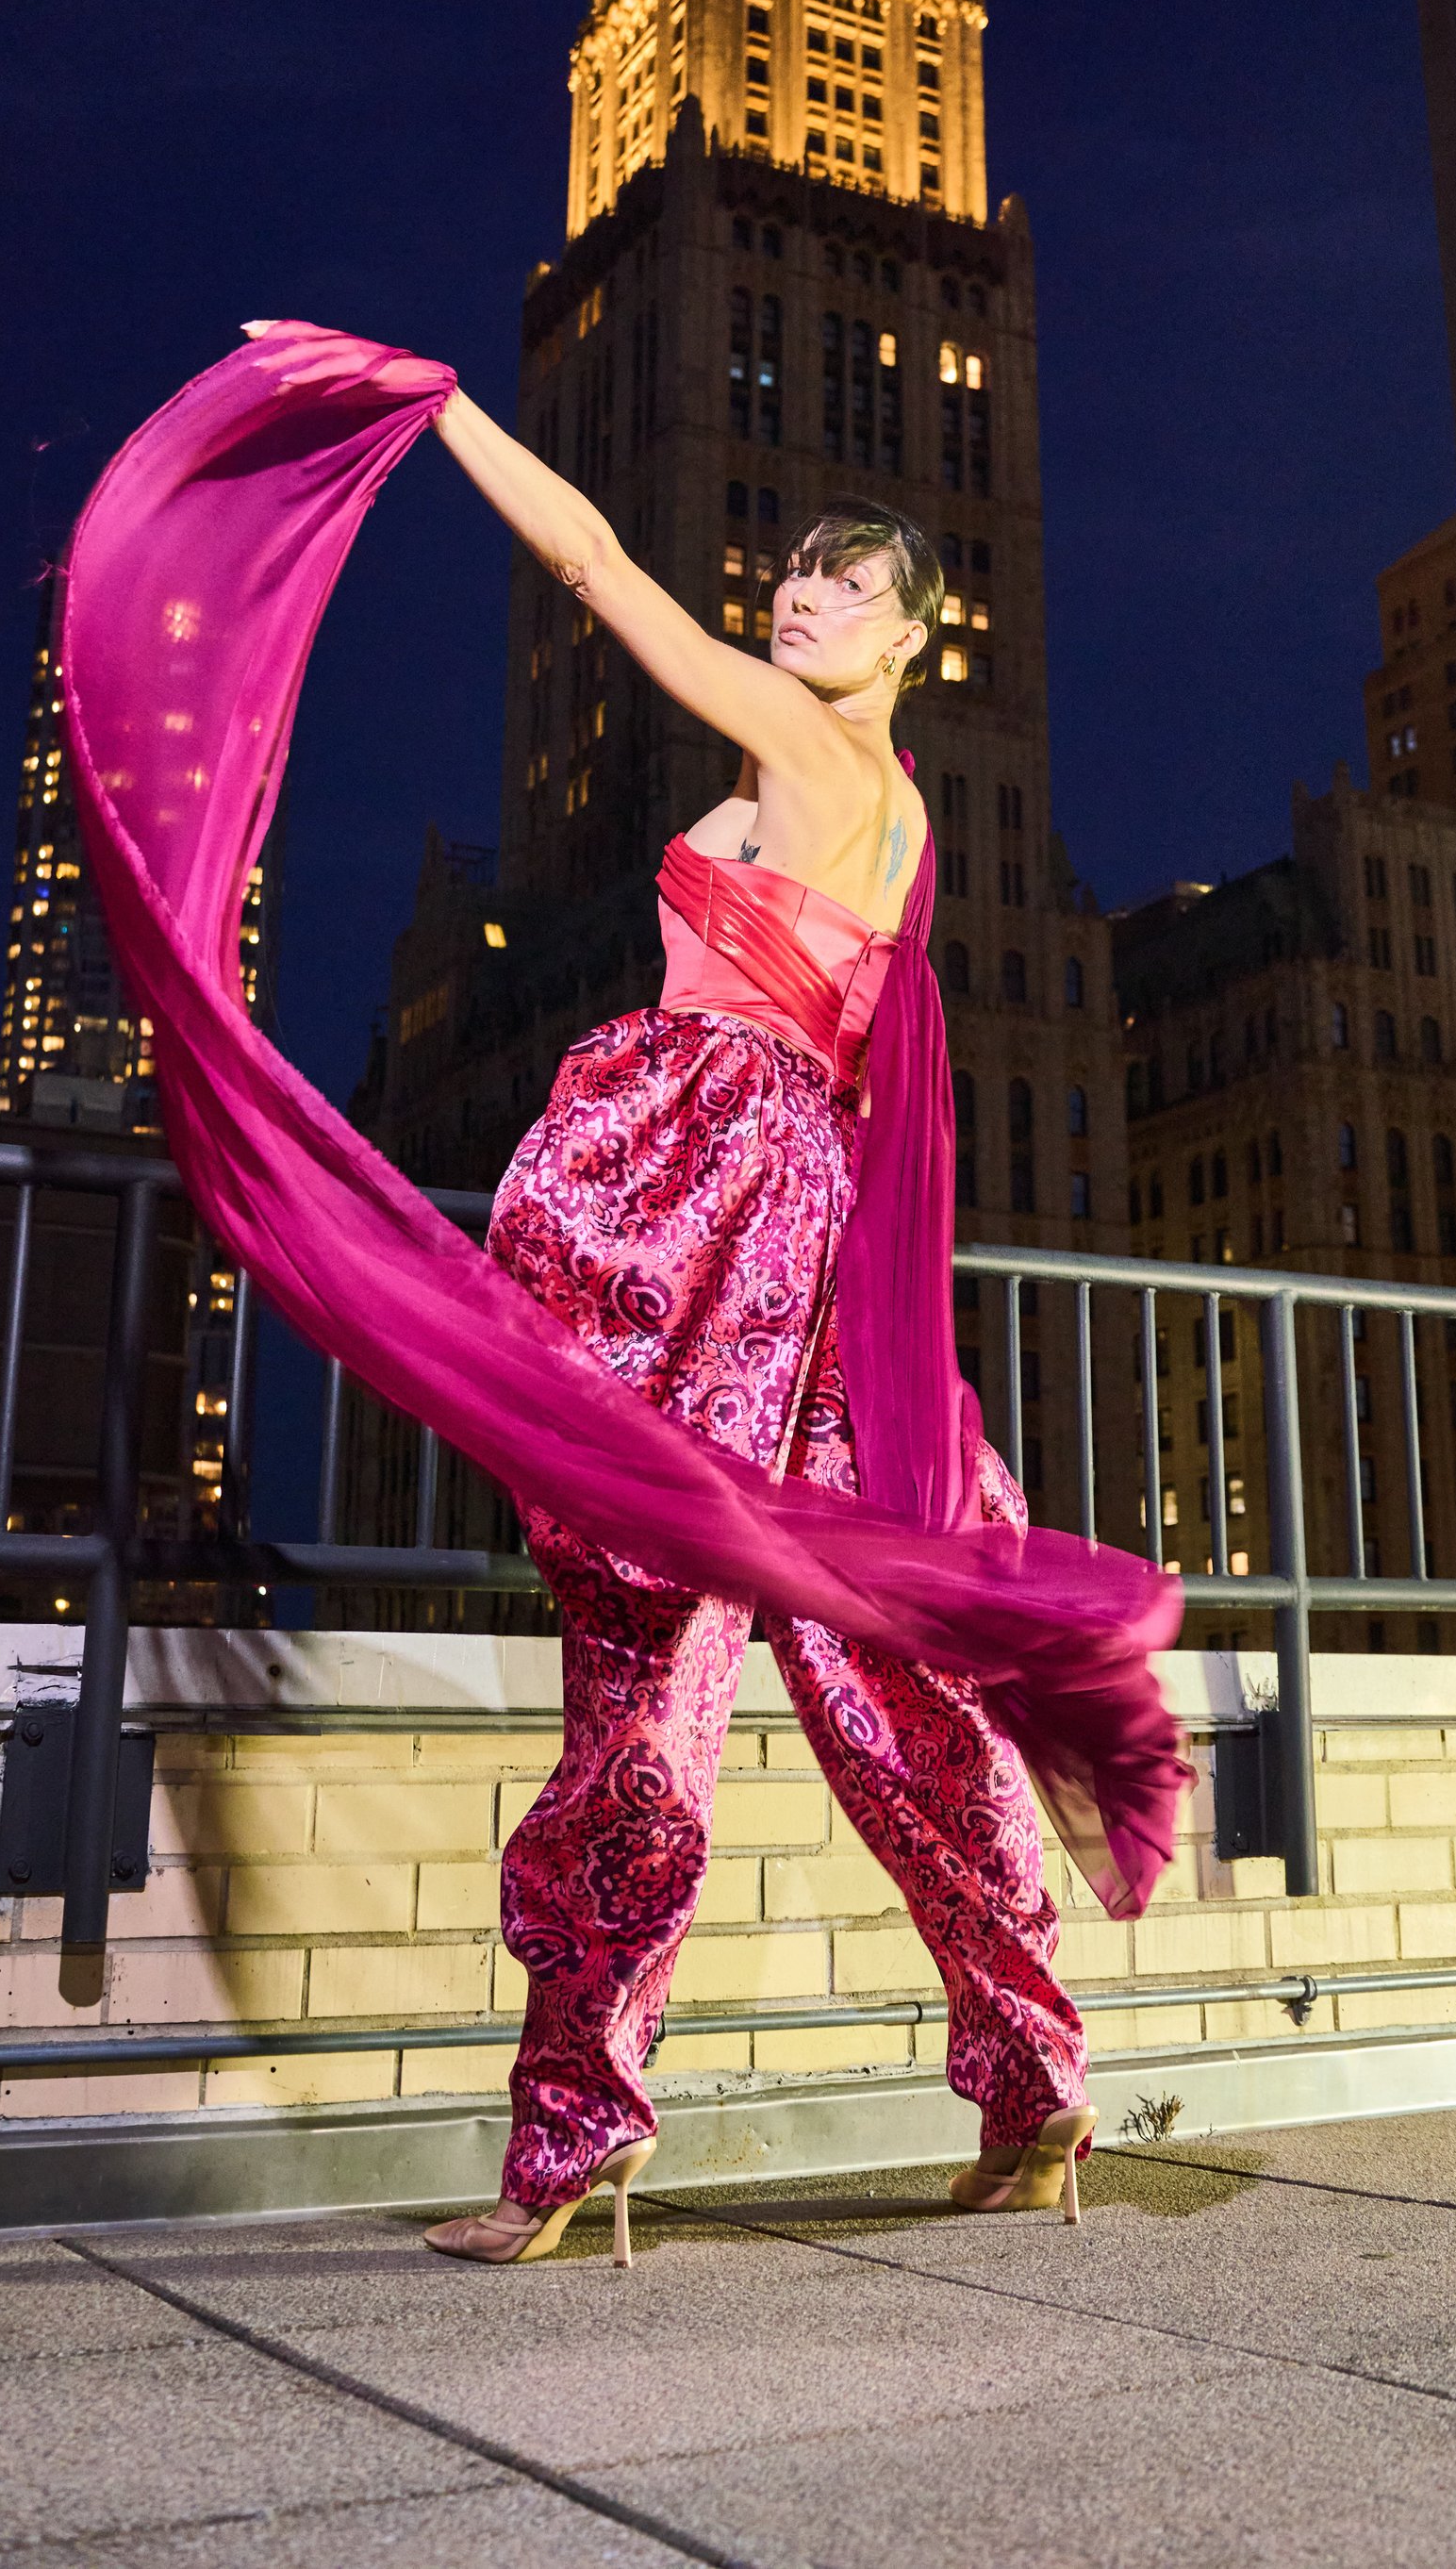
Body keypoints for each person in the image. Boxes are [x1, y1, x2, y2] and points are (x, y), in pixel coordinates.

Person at [414, 381, 1099, 2264]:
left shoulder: (814, 750)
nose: (800, 603)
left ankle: (574, 2135)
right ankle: (1034, 2085)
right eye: (793, 575)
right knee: (893, 1688)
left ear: (910, 635)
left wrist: (433, 405)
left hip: (725, 1221)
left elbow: (590, 564)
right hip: (769, 1221)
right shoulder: (888, 799)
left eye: (843, 586)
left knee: (648, 1658)